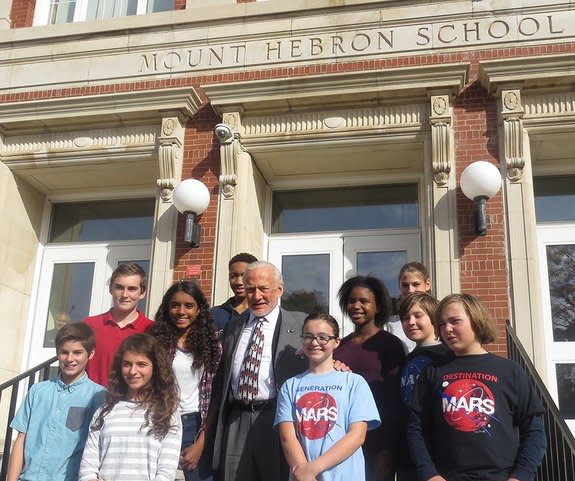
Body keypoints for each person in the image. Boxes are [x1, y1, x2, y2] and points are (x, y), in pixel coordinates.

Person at [407, 293, 547, 481]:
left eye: (455, 321)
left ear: (476, 320)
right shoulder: (432, 372)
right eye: (441, 323)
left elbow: (535, 430)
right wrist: (429, 474)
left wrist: (521, 476)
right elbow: (415, 427)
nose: (447, 329)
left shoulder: (510, 371)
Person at [211, 260, 308, 481]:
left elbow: (323, 355)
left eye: (263, 288)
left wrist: (338, 365)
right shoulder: (234, 327)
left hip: (277, 419)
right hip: (237, 417)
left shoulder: (301, 324)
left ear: (279, 289)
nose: (256, 296)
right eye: (250, 289)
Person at [274, 313, 381, 481]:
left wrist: (312, 469)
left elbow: (357, 436)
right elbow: (287, 438)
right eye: (308, 336)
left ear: (336, 342)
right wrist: (305, 475)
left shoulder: (354, 382)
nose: (315, 342)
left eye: (323, 337)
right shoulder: (290, 386)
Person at [7, 323, 105, 481]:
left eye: (77, 353)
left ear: (90, 353)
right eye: (64, 352)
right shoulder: (37, 391)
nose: (70, 359)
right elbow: (21, 440)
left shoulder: (98, 396)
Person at [79, 333, 182, 481]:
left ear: (155, 367)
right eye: (127, 364)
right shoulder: (104, 411)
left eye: (141, 364)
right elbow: (88, 467)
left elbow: (166, 472)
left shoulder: (167, 413)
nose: (133, 371)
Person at [333, 275, 406, 481]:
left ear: (378, 306)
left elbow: (394, 401)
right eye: (351, 300)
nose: (356, 306)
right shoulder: (340, 346)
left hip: (378, 440)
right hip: (343, 440)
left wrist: (387, 450)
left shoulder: (390, 345)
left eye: (364, 301)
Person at [150, 281, 221, 481]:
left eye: (188, 305)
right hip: (159, 421)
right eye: (175, 305)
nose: (181, 311)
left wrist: (201, 443)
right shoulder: (154, 341)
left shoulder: (212, 344)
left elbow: (215, 395)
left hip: (194, 424)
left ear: (199, 310)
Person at [396, 293, 453, 481]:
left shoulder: (448, 355)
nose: (410, 322)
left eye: (418, 315)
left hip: (441, 454)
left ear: (433, 317)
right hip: (409, 453)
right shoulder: (406, 359)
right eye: (405, 318)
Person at [83, 263, 153, 386]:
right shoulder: (89, 325)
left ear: (142, 293)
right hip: (93, 402)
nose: (125, 295)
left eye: (132, 289)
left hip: (134, 403)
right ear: (111, 289)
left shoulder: (152, 330)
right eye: (119, 287)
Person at [386, 262, 433, 353]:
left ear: (427, 284)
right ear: (399, 286)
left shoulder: (440, 315)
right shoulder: (390, 321)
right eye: (405, 285)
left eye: (415, 284)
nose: (410, 290)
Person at [211, 253, 258, 334]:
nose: (239, 282)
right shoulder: (213, 315)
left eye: (244, 276)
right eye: (233, 276)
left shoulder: (262, 314)